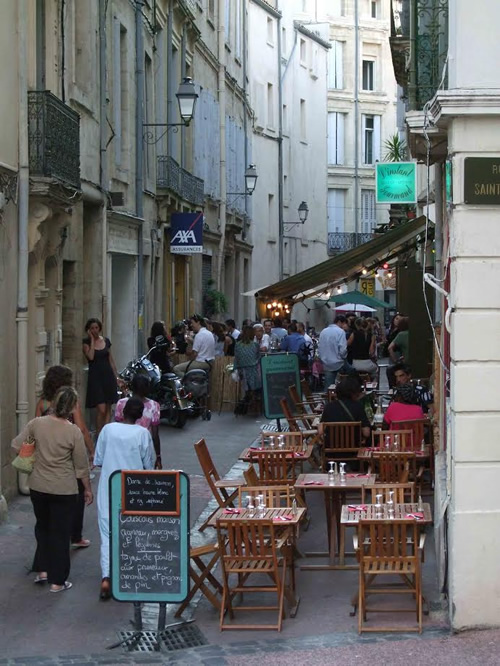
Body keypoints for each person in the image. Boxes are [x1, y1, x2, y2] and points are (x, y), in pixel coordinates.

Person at [11, 387, 93, 593]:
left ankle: (42, 570)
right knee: (60, 533)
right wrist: (87, 489)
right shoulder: (73, 431)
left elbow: (16, 445)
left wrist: (34, 450)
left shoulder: (37, 424)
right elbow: (81, 465)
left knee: (43, 528)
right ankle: (57, 581)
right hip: (63, 489)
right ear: (73, 407)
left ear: (54, 403)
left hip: (38, 486)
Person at [94, 397, 154, 600]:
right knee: (132, 530)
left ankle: (107, 576)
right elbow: (149, 465)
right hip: (134, 489)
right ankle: (130, 573)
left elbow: (99, 459)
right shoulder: (143, 434)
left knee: (107, 531)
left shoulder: (108, 430)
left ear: (123, 411)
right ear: (140, 416)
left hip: (109, 487)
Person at [35, 365, 94, 550]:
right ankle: (75, 535)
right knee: (76, 498)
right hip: (67, 458)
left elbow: (35, 427)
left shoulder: (43, 402)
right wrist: (92, 450)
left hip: (45, 459)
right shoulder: (71, 402)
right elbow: (82, 428)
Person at [115, 375, 162, 469]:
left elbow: (117, 427)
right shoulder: (154, 406)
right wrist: (158, 456)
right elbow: (155, 435)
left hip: (124, 445)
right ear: (147, 388)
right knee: (144, 475)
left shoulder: (121, 403)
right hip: (144, 446)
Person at [82, 318, 119, 436]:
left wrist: (116, 377)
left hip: (108, 377)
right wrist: (92, 340)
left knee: (108, 407)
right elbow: (91, 357)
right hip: (96, 379)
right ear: (88, 330)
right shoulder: (86, 343)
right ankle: (99, 435)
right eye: (92, 328)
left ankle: (106, 434)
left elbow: (111, 360)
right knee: (101, 409)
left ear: (100, 328)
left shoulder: (106, 341)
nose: (94, 330)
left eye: (96, 328)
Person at [321, 376, 371, 442]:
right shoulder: (358, 407)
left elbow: (320, 431)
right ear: (354, 393)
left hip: (331, 449)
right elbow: (366, 433)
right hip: (354, 449)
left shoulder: (328, 407)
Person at [233, 325, 262, 413]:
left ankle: (247, 399)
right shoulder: (255, 345)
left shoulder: (238, 345)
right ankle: (256, 403)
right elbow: (258, 357)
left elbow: (236, 358)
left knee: (247, 386)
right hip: (253, 372)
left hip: (243, 372)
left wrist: (236, 369)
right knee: (258, 385)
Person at [318, 315, 348, 389]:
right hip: (338, 362)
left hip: (326, 362)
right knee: (350, 376)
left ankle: (328, 399)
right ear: (340, 322)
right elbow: (343, 349)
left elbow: (320, 346)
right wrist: (343, 357)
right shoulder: (341, 332)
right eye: (344, 323)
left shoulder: (323, 331)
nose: (345, 326)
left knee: (328, 386)